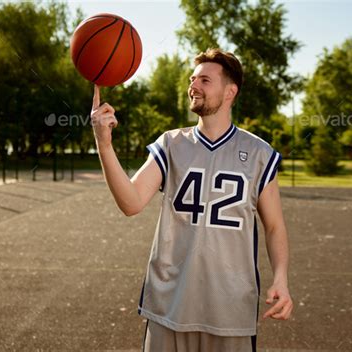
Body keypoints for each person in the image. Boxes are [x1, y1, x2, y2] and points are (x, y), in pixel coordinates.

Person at [90, 48, 293, 352]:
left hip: (231, 309)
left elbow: (275, 226)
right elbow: (131, 203)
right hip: (170, 305)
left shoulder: (258, 153)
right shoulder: (171, 143)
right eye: (192, 79)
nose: (193, 86)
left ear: (230, 92)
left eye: (205, 80)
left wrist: (281, 277)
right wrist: (104, 145)